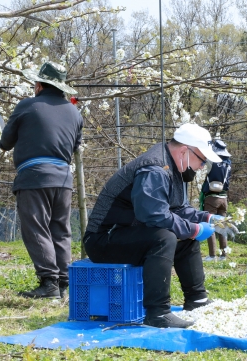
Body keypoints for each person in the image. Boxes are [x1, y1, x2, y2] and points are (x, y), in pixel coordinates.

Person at [84, 123, 238, 329]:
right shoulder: (155, 169)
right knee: (165, 236)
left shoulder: (173, 168)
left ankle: (197, 299)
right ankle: (157, 313)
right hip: (103, 240)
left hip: (129, 234)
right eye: (202, 160)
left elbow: (178, 209)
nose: (202, 167)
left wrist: (207, 218)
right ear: (185, 150)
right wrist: (194, 229)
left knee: (185, 231)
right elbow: (154, 215)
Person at [0, 61, 83, 299]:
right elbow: (75, 146)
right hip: (63, 178)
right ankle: (64, 284)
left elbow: (5, 142)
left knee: (36, 227)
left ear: (38, 85)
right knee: (60, 230)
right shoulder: (74, 112)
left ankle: (49, 283)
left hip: (34, 177)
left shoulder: (27, 105)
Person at [201, 138, 232, 261]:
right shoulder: (228, 163)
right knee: (222, 225)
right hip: (224, 198)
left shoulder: (211, 161)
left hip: (212, 198)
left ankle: (212, 255)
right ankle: (223, 255)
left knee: (211, 225)